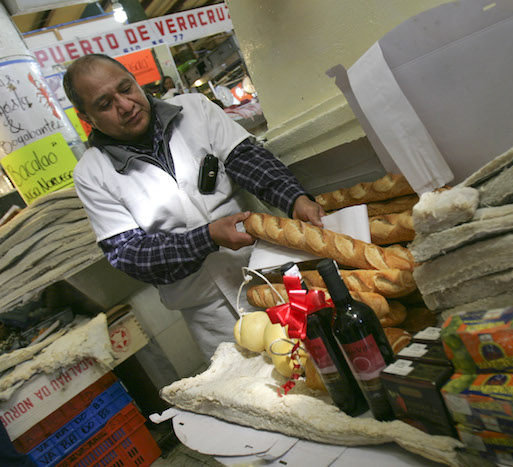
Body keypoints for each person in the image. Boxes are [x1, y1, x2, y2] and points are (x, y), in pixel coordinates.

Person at [63, 54, 325, 358]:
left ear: (136, 81)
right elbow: (130, 255)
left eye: (126, 88)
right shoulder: (92, 173)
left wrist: (295, 199)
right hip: (209, 309)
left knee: (318, 352)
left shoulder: (195, 110)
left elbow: (248, 160)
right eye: (105, 105)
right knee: (256, 388)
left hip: (270, 269)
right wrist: (207, 237)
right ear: (87, 118)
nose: (125, 105)